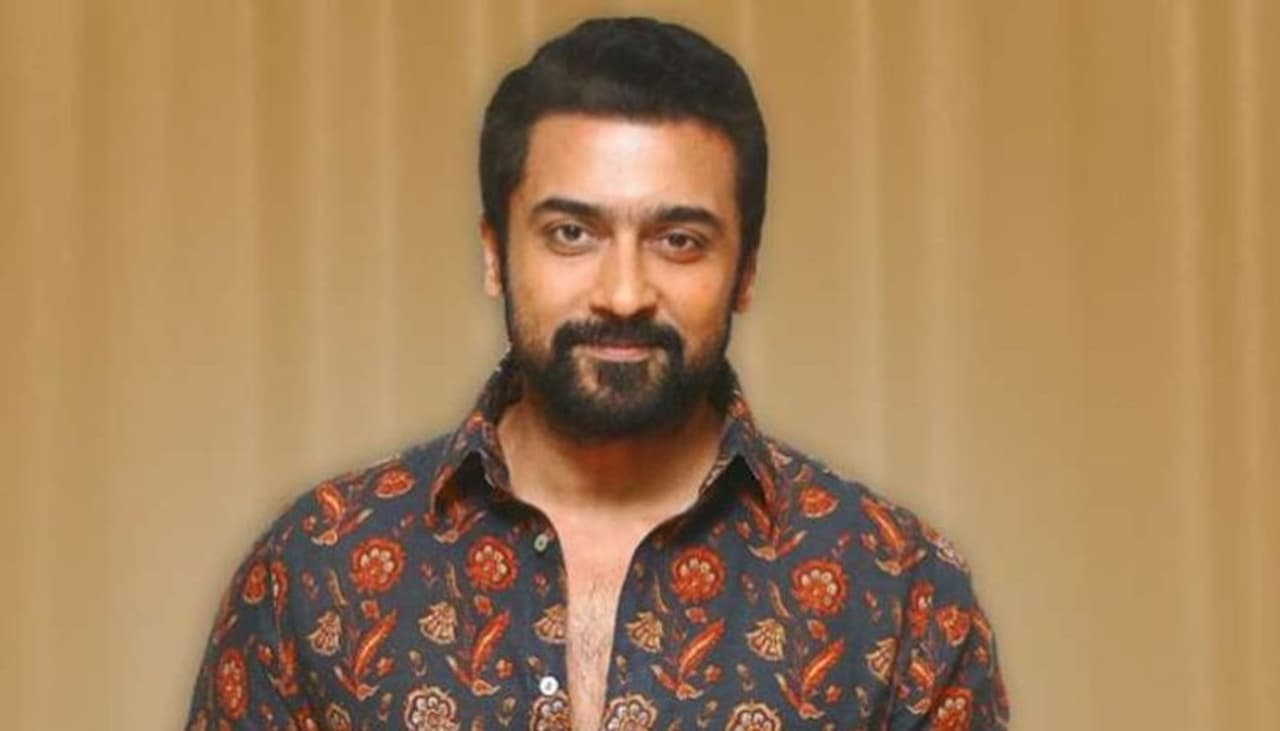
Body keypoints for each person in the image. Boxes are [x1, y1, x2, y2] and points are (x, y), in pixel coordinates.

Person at [186, 17, 1008, 731]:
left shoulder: (900, 594)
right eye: (572, 233)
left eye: (679, 240)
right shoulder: (318, 571)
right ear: (494, 254)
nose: (623, 293)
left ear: (746, 270)